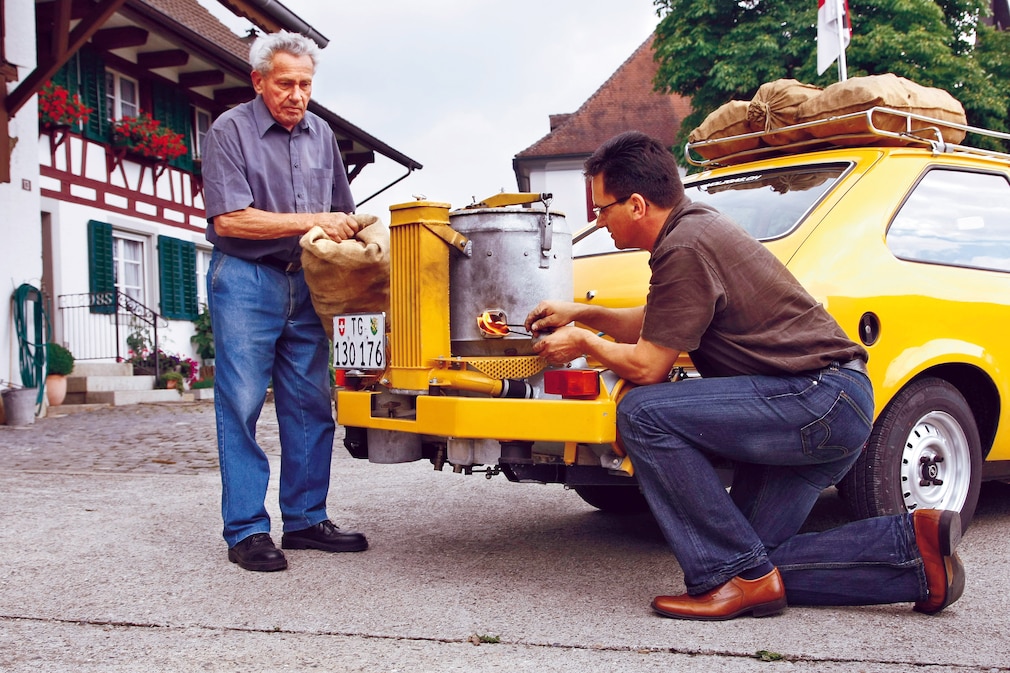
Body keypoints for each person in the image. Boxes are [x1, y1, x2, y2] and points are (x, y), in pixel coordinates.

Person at [524, 131, 965, 620]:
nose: (598, 221)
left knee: (642, 414)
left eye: (601, 209)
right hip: (828, 402)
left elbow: (649, 367)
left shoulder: (685, 245)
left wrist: (585, 344)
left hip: (815, 399)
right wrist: (581, 315)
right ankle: (914, 554)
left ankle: (727, 578)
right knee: (758, 559)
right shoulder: (693, 231)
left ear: (635, 204)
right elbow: (655, 318)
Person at [201, 32, 368, 572]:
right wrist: (313, 221)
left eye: (305, 84)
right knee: (243, 403)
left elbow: (340, 213)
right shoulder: (230, 130)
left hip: (309, 281)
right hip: (246, 278)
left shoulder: (322, 135)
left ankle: (304, 520)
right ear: (259, 82)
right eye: (285, 83)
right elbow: (231, 219)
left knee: (311, 403)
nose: (296, 95)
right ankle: (248, 530)